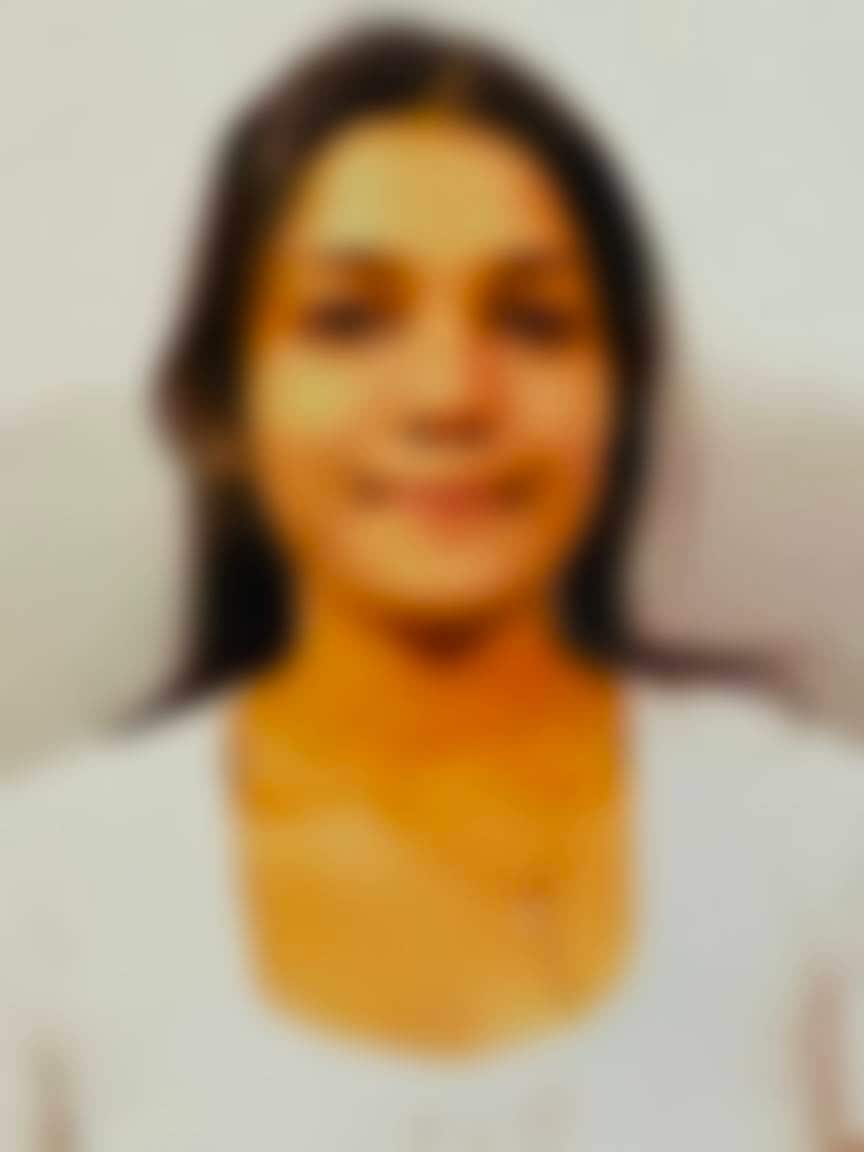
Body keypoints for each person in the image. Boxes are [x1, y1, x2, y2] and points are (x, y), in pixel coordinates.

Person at [1, 19, 863, 1152]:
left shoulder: (814, 846)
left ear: (621, 393)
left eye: (533, 321)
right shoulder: (50, 889)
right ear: (221, 398)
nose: (450, 394)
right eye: (349, 319)